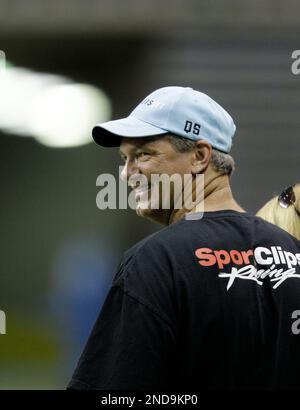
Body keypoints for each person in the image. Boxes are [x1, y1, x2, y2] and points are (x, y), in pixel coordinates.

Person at [68, 86, 300, 390]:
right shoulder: (292, 253)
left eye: (143, 155)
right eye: (124, 159)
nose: (127, 173)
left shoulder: (156, 262)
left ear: (199, 157)